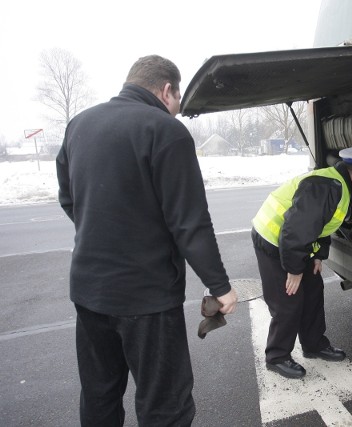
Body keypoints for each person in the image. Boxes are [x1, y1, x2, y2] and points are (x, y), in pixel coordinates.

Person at [56, 55, 237, 426]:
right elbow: (190, 223)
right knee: (164, 405)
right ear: (166, 90)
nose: (176, 112)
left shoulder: (79, 125)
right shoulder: (164, 130)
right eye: (177, 101)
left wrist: (105, 233)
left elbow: (68, 198)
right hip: (147, 299)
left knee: (99, 396)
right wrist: (220, 286)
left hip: (89, 293)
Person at [251, 141, 352, 379]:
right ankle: (277, 356)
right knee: (289, 299)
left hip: (292, 241)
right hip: (272, 239)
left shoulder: (340, 184)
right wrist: (293, 270)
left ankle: (314, 344)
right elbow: (295, 230)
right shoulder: (328, 187)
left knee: (312, 290)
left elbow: (320, 225)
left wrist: (318, 255)